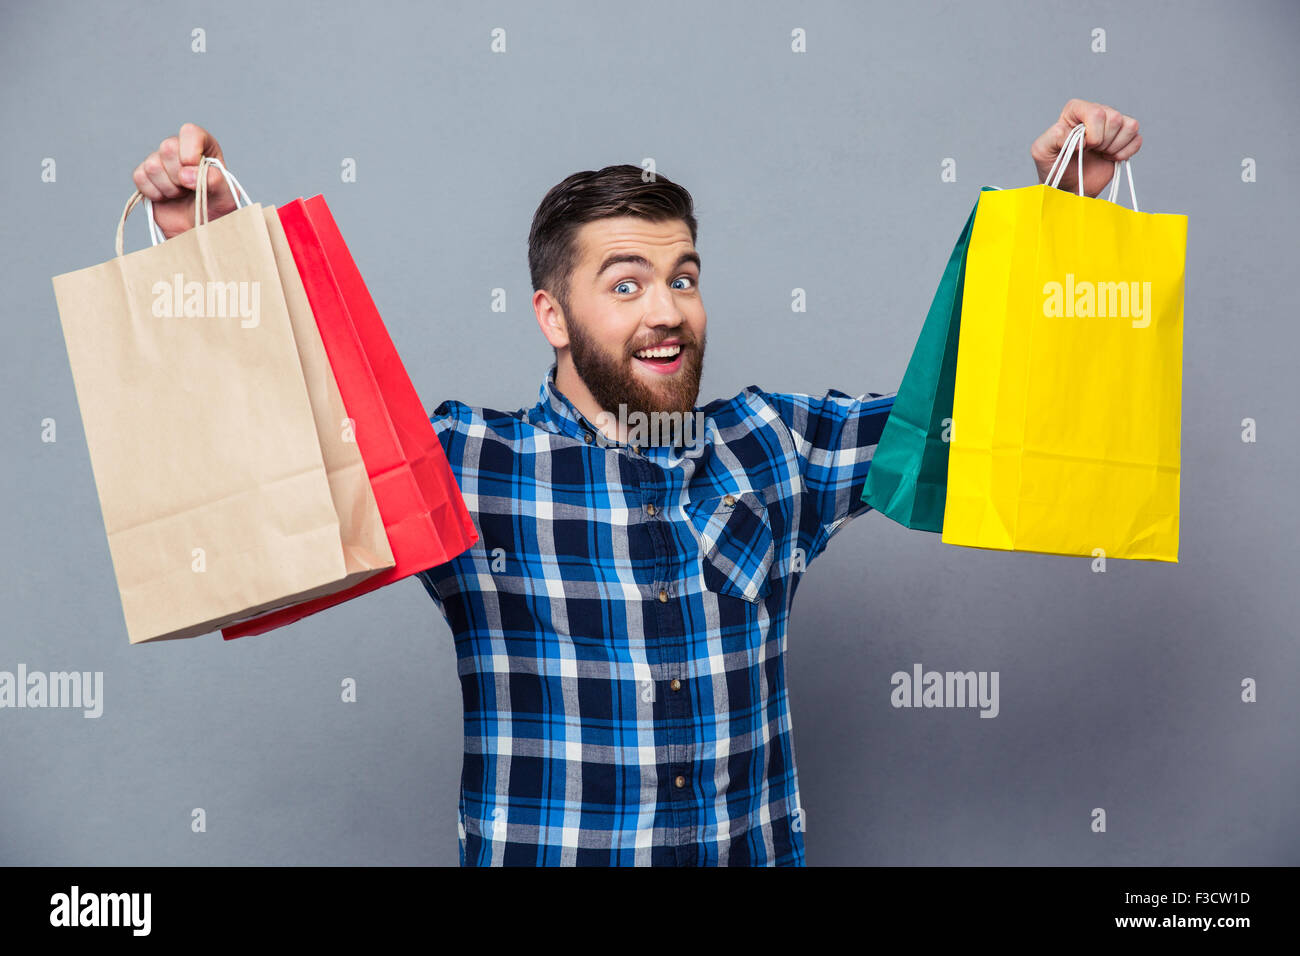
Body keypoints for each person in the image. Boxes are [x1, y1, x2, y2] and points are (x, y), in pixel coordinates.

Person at [130, 100, 1142, 865]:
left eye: (684, 277)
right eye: (625, 284)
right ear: (551, 315)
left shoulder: (774, 446)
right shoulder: (468, 464)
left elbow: (965, 420)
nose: (667, 310)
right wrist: (207, 251)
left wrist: (1062, 217)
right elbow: (287, 466)